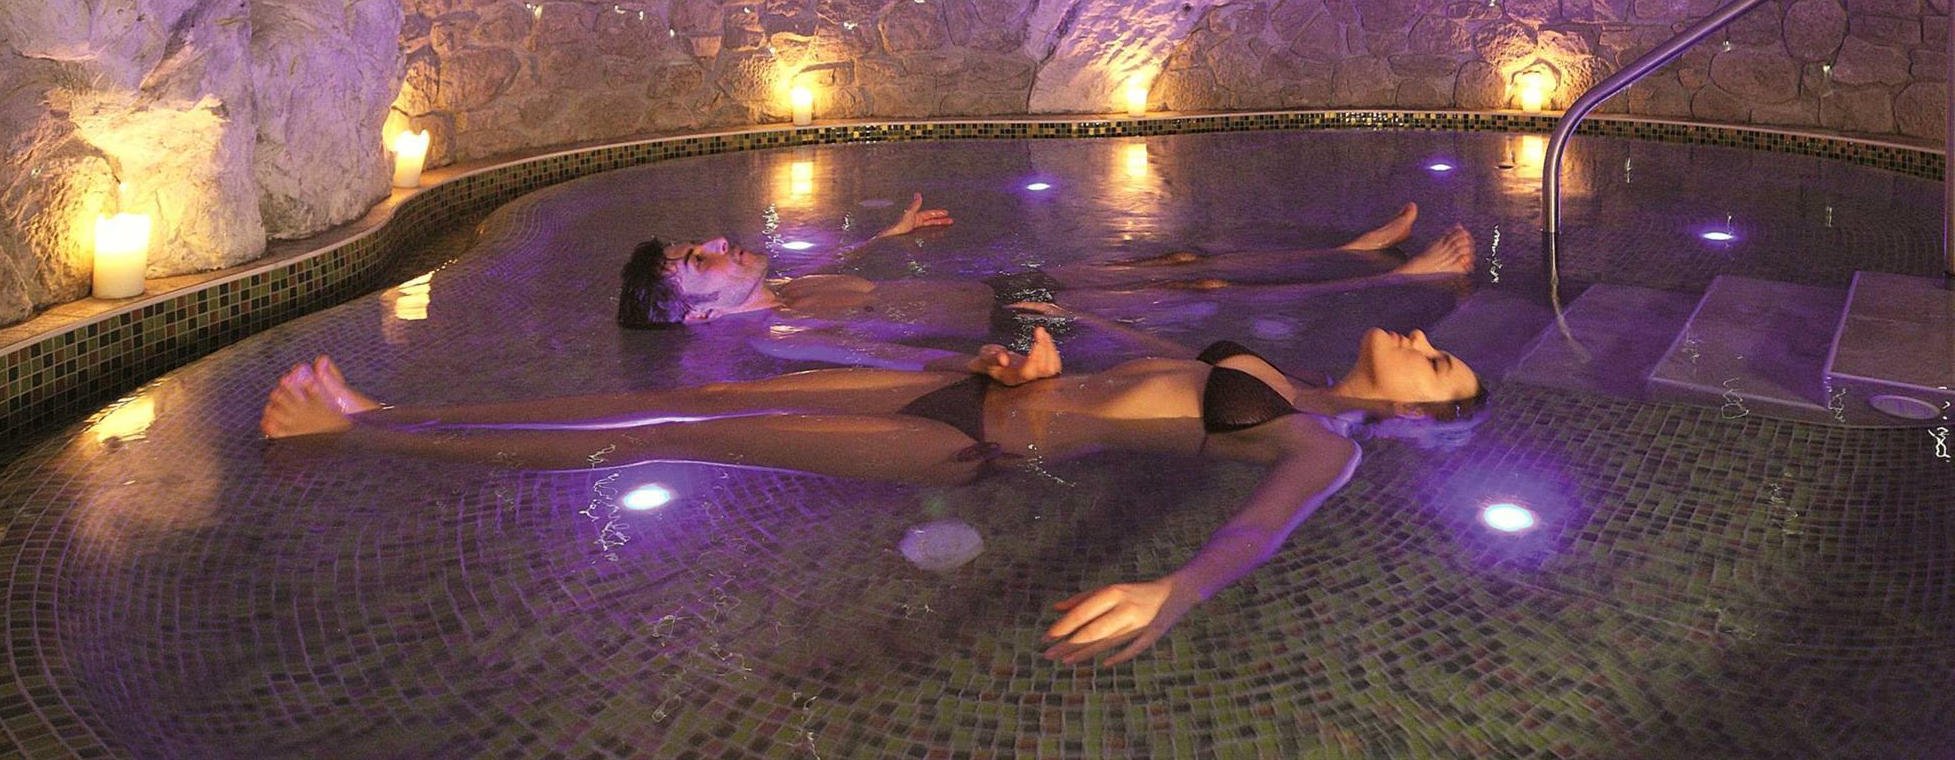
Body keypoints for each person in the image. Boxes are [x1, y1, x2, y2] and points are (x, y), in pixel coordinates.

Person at [260, 317, 1489, 667]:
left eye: (1435, 367)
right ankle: (381, 411)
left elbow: (1259, 533)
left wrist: (1176, 589)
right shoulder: (1288, 368)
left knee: (671, 431)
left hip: (969, 449)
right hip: (974, 386)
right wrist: (1041, 350)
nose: (1423, 343)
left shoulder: (1325, 444)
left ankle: (367, 429)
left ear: (1414, 416)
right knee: (712, 396)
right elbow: (1139, 370)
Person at [616, 198, 1475, 344]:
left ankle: (1353, 251)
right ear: (700, 313)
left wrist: (893, 229)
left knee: (1177, 260)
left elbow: (843, 261)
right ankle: (1391, 281)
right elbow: (885, 357)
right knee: (1199, 290)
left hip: (1006, 287)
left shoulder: (792, 287)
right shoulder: (786, 327)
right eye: (697, 259)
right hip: (1012, 319)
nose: (718, 240)